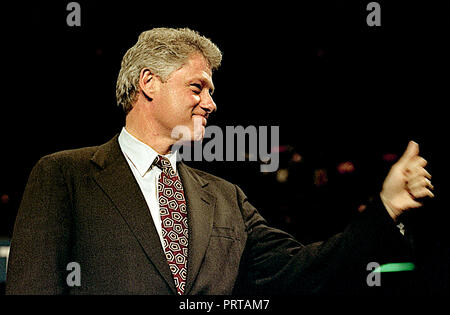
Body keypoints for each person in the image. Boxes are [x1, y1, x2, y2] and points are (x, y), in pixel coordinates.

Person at [5, 27, 434, 295]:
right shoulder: (64, 175)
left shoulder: (226, 198)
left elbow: (301, 270)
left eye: (210, 91)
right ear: (149, 83)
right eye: (197, 87)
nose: (211, 103)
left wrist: (386, 208)